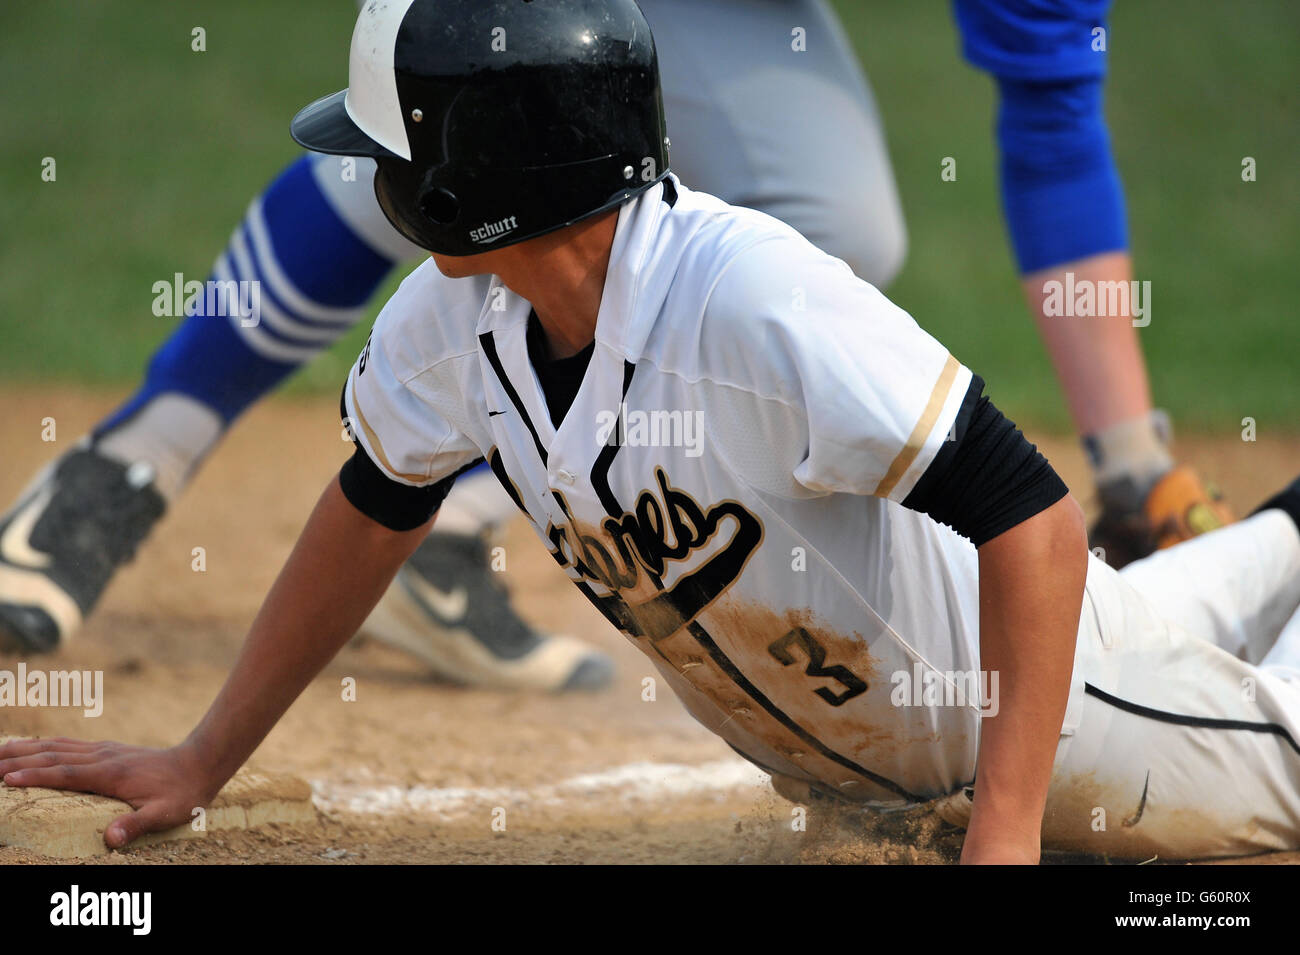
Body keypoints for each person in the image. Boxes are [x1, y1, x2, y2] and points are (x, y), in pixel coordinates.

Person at [4, 0, 1296, 864]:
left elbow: (1032, 517)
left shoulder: (755, 296)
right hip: (954, 704)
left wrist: (1006, 839)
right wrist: (202, 758)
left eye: (394, 153)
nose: (380, 180)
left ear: (482, 182)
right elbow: (374, 502)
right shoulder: (446, 322)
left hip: (1068, 723)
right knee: (1217, 587)